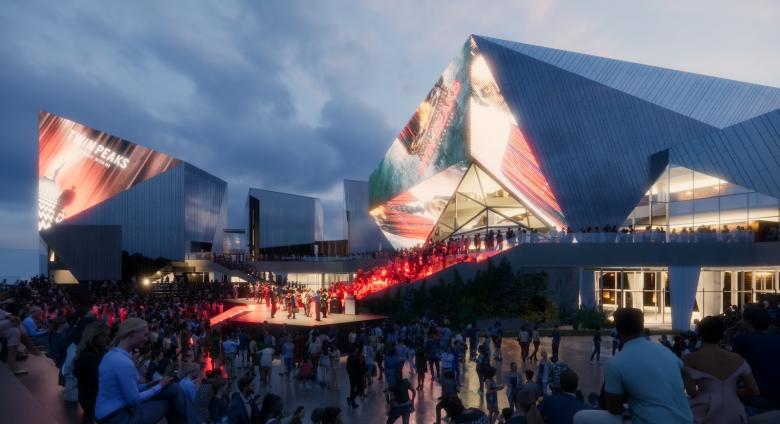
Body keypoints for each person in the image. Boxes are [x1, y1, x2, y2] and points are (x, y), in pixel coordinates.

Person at [94, 318, 201, 424]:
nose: (147, 339)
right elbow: (134, 399)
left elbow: (124, 389)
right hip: (117, 417)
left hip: (110, 413)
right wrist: (159, 386)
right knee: (172, 401)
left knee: (173, 388)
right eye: (145, 335)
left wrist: (148, 385)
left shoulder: (112, 355)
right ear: (132, 334)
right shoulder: (123, 362)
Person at [595, 307, 692, 424]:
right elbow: (686, 374)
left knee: (581, 416)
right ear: (642, 326)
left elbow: (614, 408)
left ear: (617, 329)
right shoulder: (665, 351)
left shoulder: (615, 363)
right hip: (686, 420)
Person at [683, 316, 759, 424]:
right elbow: (754, 390)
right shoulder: (738, 359)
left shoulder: (689, 359)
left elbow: (692, 392)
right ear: (722, 335)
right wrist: (734, 392)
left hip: (704, 412)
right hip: (734, 411)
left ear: (700, 334)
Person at [732, 306, 780, 409]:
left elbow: (732, 369)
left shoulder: (742, 339)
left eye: (742, 319)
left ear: (748, 322)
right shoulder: (777, 338)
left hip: (757, 399)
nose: (740, 322)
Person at [73, 321, 110, 422]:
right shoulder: (89, 357)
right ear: (94, 336)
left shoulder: (94, 352)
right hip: (92, 403)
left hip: (89, 400)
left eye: (108, 335)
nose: (108, 338)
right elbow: (98, 382)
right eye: (104, 336)